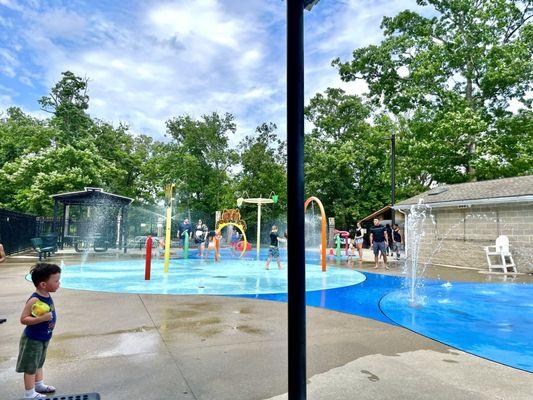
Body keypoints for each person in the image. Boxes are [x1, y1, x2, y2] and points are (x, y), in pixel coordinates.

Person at [16, 263, 61, 399]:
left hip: (43, 337)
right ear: (43, 284)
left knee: (39, 363)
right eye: (56, 281)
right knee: (31, 366)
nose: (59, 283)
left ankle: (38, 384)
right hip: (33, 339)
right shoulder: (34, 299)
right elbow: (23, 319)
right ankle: (29, 394)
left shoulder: (46, 294)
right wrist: (42, 319)